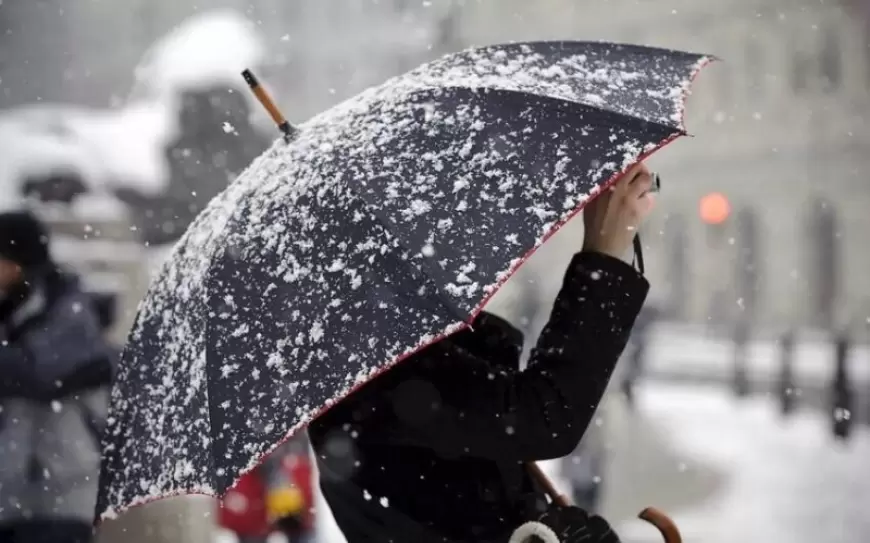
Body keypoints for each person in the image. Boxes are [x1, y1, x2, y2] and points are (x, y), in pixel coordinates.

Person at [308, 163, 655, 543]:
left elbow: (490, 491)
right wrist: (602, 254)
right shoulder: (378, 363)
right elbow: (543, 417)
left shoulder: (383, 351)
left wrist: (547, 527)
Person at [0, 210, 114, 543]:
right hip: (7, 495)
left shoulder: (69, 310)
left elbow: (41, 374)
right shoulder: (9, 312)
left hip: (63, 491)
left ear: (17, 262)